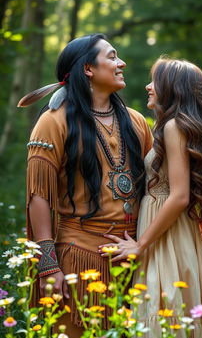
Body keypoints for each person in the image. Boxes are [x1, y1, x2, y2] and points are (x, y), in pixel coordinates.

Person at [18, 34, 153, 337]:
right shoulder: (54, 121)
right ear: (88, 69)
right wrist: (49, 266)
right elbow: (39, 196)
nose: (122, 63)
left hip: (133, 258)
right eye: (112, 56)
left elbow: (158, 185)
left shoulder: (135, 121)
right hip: (78, 259)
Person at [99, 58, 202, 337]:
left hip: (166, 235)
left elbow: (180, 196)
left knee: (167, 311)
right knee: (181, 312)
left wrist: (140, 244)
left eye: (155, 81)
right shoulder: (177, 127)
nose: (149, 86)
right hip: (179, 232)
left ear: (173, 88)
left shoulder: (174, 128)